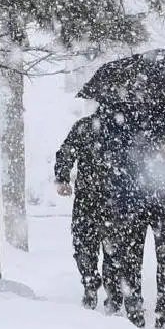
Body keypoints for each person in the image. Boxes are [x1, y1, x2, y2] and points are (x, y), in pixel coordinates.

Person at [100, 98, 165, 329]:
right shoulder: (120, 112)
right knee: (130, 257)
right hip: (130, 197)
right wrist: (135, 150)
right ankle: (134, 315)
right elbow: (106, 151)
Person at [54, 110, 119, 313]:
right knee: (110, 249)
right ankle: (108, 291)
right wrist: (63, 177)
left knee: (86, 245)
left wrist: (63, 177)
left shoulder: (85, 126)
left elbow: (66, 151)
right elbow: (67, 151)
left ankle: (94, 285)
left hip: (91, 198)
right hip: (112, 198)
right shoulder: (122, 126)